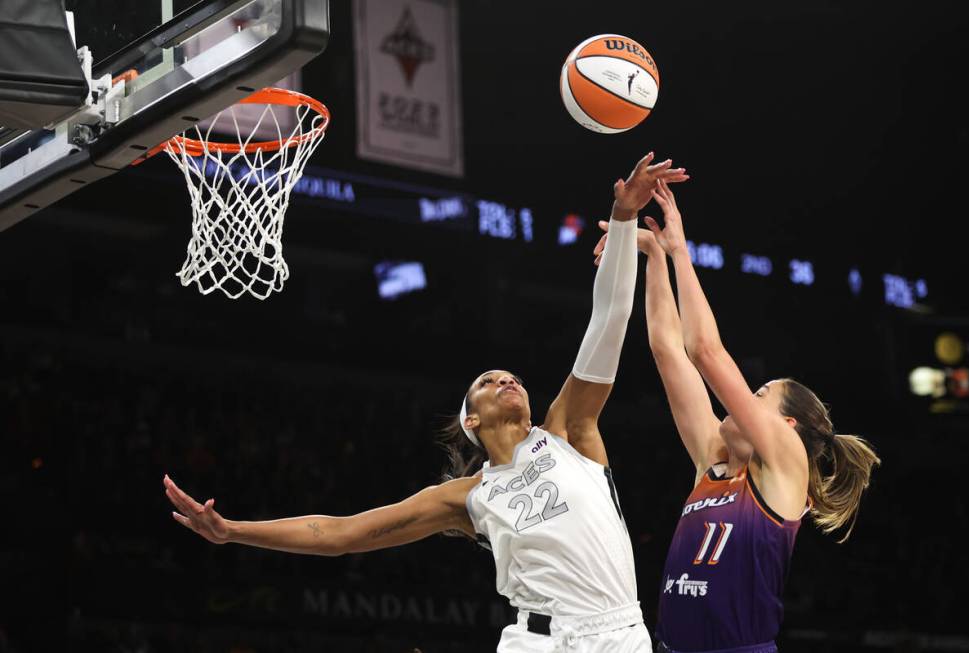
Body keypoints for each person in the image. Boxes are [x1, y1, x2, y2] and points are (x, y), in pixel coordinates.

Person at [164, 152, 689, 652]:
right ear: (472, 419)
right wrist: (232, 531)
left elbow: (609, 319)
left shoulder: (569, 431)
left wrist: (623, 219)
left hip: (620, 631)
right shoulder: (465, 498)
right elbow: (341, 532)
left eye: (512, 376)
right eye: (489, 380)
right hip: (539, 639)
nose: (507, 379)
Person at [594, 179, 880, 653]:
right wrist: (656, 260)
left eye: (761, 393)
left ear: (787, 426)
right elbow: (668, 349)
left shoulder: (786, 464)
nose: (745, 396)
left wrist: (680, 249)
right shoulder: (714, 459)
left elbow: (704, 349)